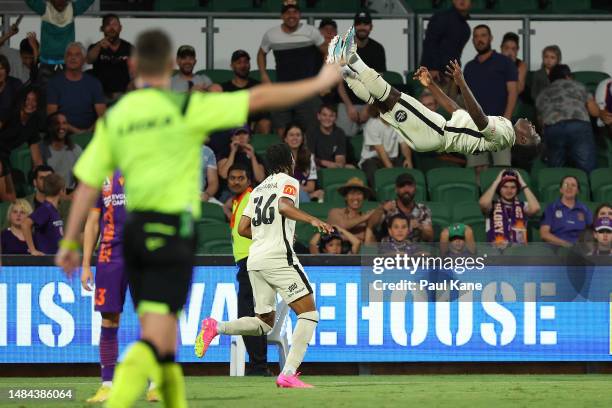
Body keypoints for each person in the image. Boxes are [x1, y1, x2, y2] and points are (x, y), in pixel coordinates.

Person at [55, 28, 341, 407]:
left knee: (152, 327)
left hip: (135, 233)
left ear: (133, 64)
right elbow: (260, 95)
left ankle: (132, 390)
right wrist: (320, 80)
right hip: (174, 233)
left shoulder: (117, 119)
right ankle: (135, 389)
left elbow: (89, 185)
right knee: (160, 326)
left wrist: (71, 241)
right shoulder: (187, 107)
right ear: (173, 66)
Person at [195, 143, 333, 389]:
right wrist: (312, 218)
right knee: (309, 313)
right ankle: (288, 373)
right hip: (279, 257)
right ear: (289, 160)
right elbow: (283, 206)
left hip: (255, 260)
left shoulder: (256, 190)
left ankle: (215, 326)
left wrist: (264, 237)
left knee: (264, 322)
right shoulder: (288, 181)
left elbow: (242, 228)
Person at [327, 28, 540, 159]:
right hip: (435, 131)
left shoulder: (504, 135)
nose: (532, 126)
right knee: (381, 102)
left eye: (533, 133)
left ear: (522, 140)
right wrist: (431, 85)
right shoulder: (504, 126)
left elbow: (479, 117)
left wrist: (461, 82)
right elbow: (456, 110)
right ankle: (341, 68)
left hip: (436, 132)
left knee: (392, 96)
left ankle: (351, 56)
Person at [80, 171, 159, 403]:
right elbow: (93, 221)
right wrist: (85, 264)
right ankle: (107, 384)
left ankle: (155, 384)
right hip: (109, 255)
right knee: (109, 319)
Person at [225, 162, 270, 376]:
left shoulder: (252, 197)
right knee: (251, 314)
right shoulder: (238, 201)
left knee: (248, 315)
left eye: (240, 178)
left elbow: (259, 228)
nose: (236, 181)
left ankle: (259, 366)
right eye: (232, 178)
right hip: (246, 262)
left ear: (248, 180)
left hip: (252, 260)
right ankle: (259, 365)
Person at [258, 1, 326, 135]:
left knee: (311, 131)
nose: (291, 15)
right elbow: (261, 54)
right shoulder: (271, 35)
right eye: (287, 12)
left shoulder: (311, 32)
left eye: (295, 12)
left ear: (300, 15)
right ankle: (284, 156)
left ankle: (307, 156)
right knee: (282, 131)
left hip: (306, 90)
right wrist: (264, 75)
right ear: (282, 16)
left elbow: (328, 52)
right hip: (282, 90)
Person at [462, 25, 518, 172]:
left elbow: (513, 92)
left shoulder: (505, 62)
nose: (480, 39)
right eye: (476, 36)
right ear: (473, 40)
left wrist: (506, 119)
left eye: (483, 35)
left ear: (491, 38)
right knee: (478, 169)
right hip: (475, 126)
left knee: (502, 169)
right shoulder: (469, 67)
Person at [536, 64, 610, 174]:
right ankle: (588, 188)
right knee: (587, 168)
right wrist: (601, 114)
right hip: (578, 124)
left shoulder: (543, 93)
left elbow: (540, 120)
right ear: (568, 76)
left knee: (556, 170)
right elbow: (592, 110)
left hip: (553, 127)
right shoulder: (577, 85)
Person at [337, 10, 386, 137]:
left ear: (371, 27)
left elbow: (379, 82)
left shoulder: (378, 49)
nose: (362, 27)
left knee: (374, 134)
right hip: (347, 102)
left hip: (369, 101)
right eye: (359, 24)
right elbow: (338, 82)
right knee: (343, 134)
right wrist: (349, 107)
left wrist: (368, 107)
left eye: (366, 24)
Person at [26, 0, 95, 81]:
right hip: (47, 63)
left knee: (67, 92)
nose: (60, 2)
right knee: (46, 92)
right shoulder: (45, 8)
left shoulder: (72, 9)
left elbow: (87, 2)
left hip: (66, 63)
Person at [47, 42, 107, 134]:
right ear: (64, 59)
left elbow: (102, 116)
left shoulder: (94, 83)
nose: (73, 58)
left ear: (83, 60)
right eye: (69, 54)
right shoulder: (54, 83)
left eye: (77, 55)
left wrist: (89, 131)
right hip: (63, 134)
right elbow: (52, 117)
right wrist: (77, 132)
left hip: (90, 133)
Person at [0, 87, 44, 202]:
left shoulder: (34, 122)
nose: (30, 103)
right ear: (21, 100)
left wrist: (41, 174)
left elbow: (37, 157)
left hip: (5, 157)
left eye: (34, 100)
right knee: (8, 195)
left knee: (15, 193)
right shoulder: (9, 113)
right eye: (27, 99)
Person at [420, 0, 471, 97]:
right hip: (436, 76)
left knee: (451, 110)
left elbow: (455, 54)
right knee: (433, 108)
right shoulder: (442, 18)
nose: (462, 0)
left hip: (451, 77)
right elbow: (430, 43)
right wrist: (432, 69)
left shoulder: (465, 28)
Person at [479, 169, 540, 247]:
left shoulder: (523, 205)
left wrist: (523, 184)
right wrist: (496, 182)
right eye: (505, 187)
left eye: (513, 187)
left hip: (518, 252)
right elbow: (483, 203)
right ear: (499, 188)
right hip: (496, 252)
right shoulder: (492, 205)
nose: (509, 190)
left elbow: (536, 208)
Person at [359, 104, 413, 188]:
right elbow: (380, 150)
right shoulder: (372, 124)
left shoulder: (397, 123)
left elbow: (404, 145)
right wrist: (390, 170)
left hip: (393, 159)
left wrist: (408, 161)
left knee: (406, 171)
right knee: (373, 172)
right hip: (372, 160)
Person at [370, 173, 434, 243]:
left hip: (413, 250)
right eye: (402, 186)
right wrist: (382, 209)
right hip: (389, 250)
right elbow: (371, 226)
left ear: (415, 188)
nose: (406, 189)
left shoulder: (423, 210)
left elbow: (430, 238)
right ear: (396, 189)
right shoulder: (387, 205)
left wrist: (420, 227)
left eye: (410, 186)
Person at [221, 50, 271, 134]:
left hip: (254, 126)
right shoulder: (225, 88)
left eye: (246, 62)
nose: (243, 65)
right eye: (239, 62)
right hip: (232, 126)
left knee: (265, 123)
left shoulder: (257, 86)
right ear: (232, 66)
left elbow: (264, 111)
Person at [87, 14, 134, 99]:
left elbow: (137, 70)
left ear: (120, 28)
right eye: (108, 24)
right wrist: (99, 46)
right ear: (102, 28)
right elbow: (89, 60)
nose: (112, 28)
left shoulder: (129, 48)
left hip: (123, 95)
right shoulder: (95, 47)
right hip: (100, 96)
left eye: (115, 24)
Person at [540, 176, 592, 248]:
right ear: (561, 189)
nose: (569, 187)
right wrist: (566, 244)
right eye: (566, 185)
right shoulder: (551, 208)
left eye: (573, 185)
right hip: (558, 249)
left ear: (577, 191)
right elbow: (544, 234)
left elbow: (592, 232)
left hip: (581, 249)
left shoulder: (584, 209)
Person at [217, 126, 266, 200]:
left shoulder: (255, 156)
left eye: (245, 134)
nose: (241, 137)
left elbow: (260, 178)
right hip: (229, 192)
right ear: (232, 138)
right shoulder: (225, 154)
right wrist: (233, 151)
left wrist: (252, 156)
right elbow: (224, 175)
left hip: (250, 191)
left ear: (249, 138)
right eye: (237, 134)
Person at [22, 173, 65, 256]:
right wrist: (33, 250)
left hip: (54, 260)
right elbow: (25, 224)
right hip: (46, 262)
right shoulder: (45, 209)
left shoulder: (52, 209)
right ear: (61, 190)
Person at [41, 112, 83, 190]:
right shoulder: (42, 150)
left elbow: (83, 179)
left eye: (64, 123)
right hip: (49, 193)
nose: (61, 127)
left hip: (71, 193)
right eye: (57, 123)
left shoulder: (76, 149)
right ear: (50, 127)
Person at [327, 177, 376, 243]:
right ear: (345, 197)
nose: (356, 197)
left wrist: (369, 224)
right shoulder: (335, 212)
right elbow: (342, 225)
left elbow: (371, 244)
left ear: (363, 198)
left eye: (359, 194)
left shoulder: (367, 219)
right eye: (352, 193)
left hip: (360, 252)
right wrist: (367, 216)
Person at [282, 123, 323, 202]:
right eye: (291, 135)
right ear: (285, 139)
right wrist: (309, 195)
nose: (295, 138)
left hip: (302, 196)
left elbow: (311, 187)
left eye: (298, 135)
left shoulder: (309, 157)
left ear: (302, 138)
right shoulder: (280, 157)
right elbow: (282, 186)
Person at [307, 104, 348, 169]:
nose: (327, 118)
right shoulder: (312, 133)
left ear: (336, 118)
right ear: (318, 116)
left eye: (331, 116)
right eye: (324, 115)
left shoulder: (340, 133)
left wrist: (338, 165)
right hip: (316, 167)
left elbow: (340, 160)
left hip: (334, 168)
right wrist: (325, 163)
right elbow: (310, 158)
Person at [0, 55, 23, 126]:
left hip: (12, 128)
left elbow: (20, 110)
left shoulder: (16, 84)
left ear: (7, 70)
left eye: (2, 68)